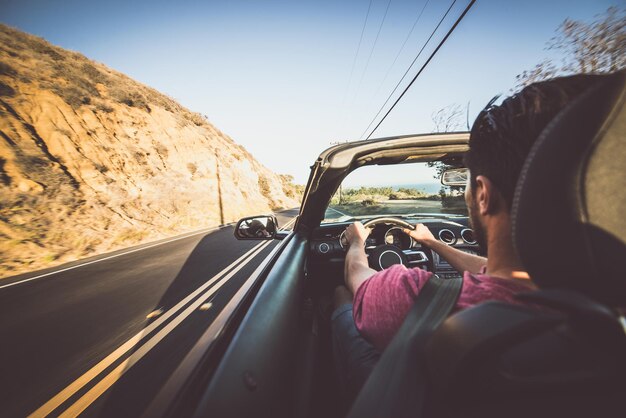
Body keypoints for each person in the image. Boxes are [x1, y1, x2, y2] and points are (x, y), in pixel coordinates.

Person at [331, 73, 609, 404]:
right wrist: (433, 243)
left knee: (339, 296)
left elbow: (357, 276)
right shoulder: (605, 313)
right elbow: (496, 271)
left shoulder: (420, 302)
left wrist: (358, 241)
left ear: (482, 194)